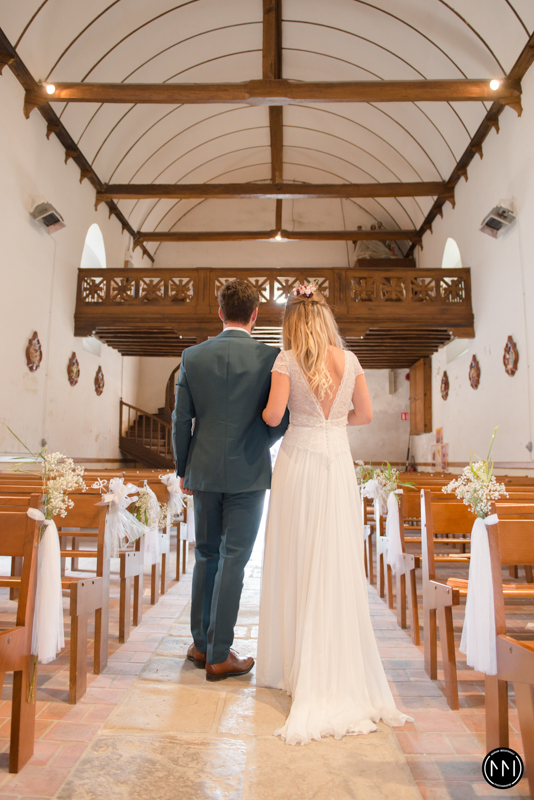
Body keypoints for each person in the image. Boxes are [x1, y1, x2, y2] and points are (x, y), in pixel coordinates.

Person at [256, 283, 411, 744]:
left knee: (298, 558)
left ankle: (297, 666)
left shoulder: (286, 360)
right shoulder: (351, 360)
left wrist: (273, 413)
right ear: (324, 319)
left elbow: (272, 416)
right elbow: (365, 415)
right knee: (336, 561)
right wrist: (334, 420)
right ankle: (336, 666)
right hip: (338, 460)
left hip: (299, 460)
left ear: (293, 322)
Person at [172, 279, 289, 681]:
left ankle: (201, 646)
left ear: (220, 312)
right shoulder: (271, 357)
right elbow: (280, 419)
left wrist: (184, 468)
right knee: (233, 558)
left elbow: (180, 419)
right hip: (248, 472)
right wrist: (256, 445)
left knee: (206, 555)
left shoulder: (192, 356)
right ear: (255, 315)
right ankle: (220, 654)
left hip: (203, 471)